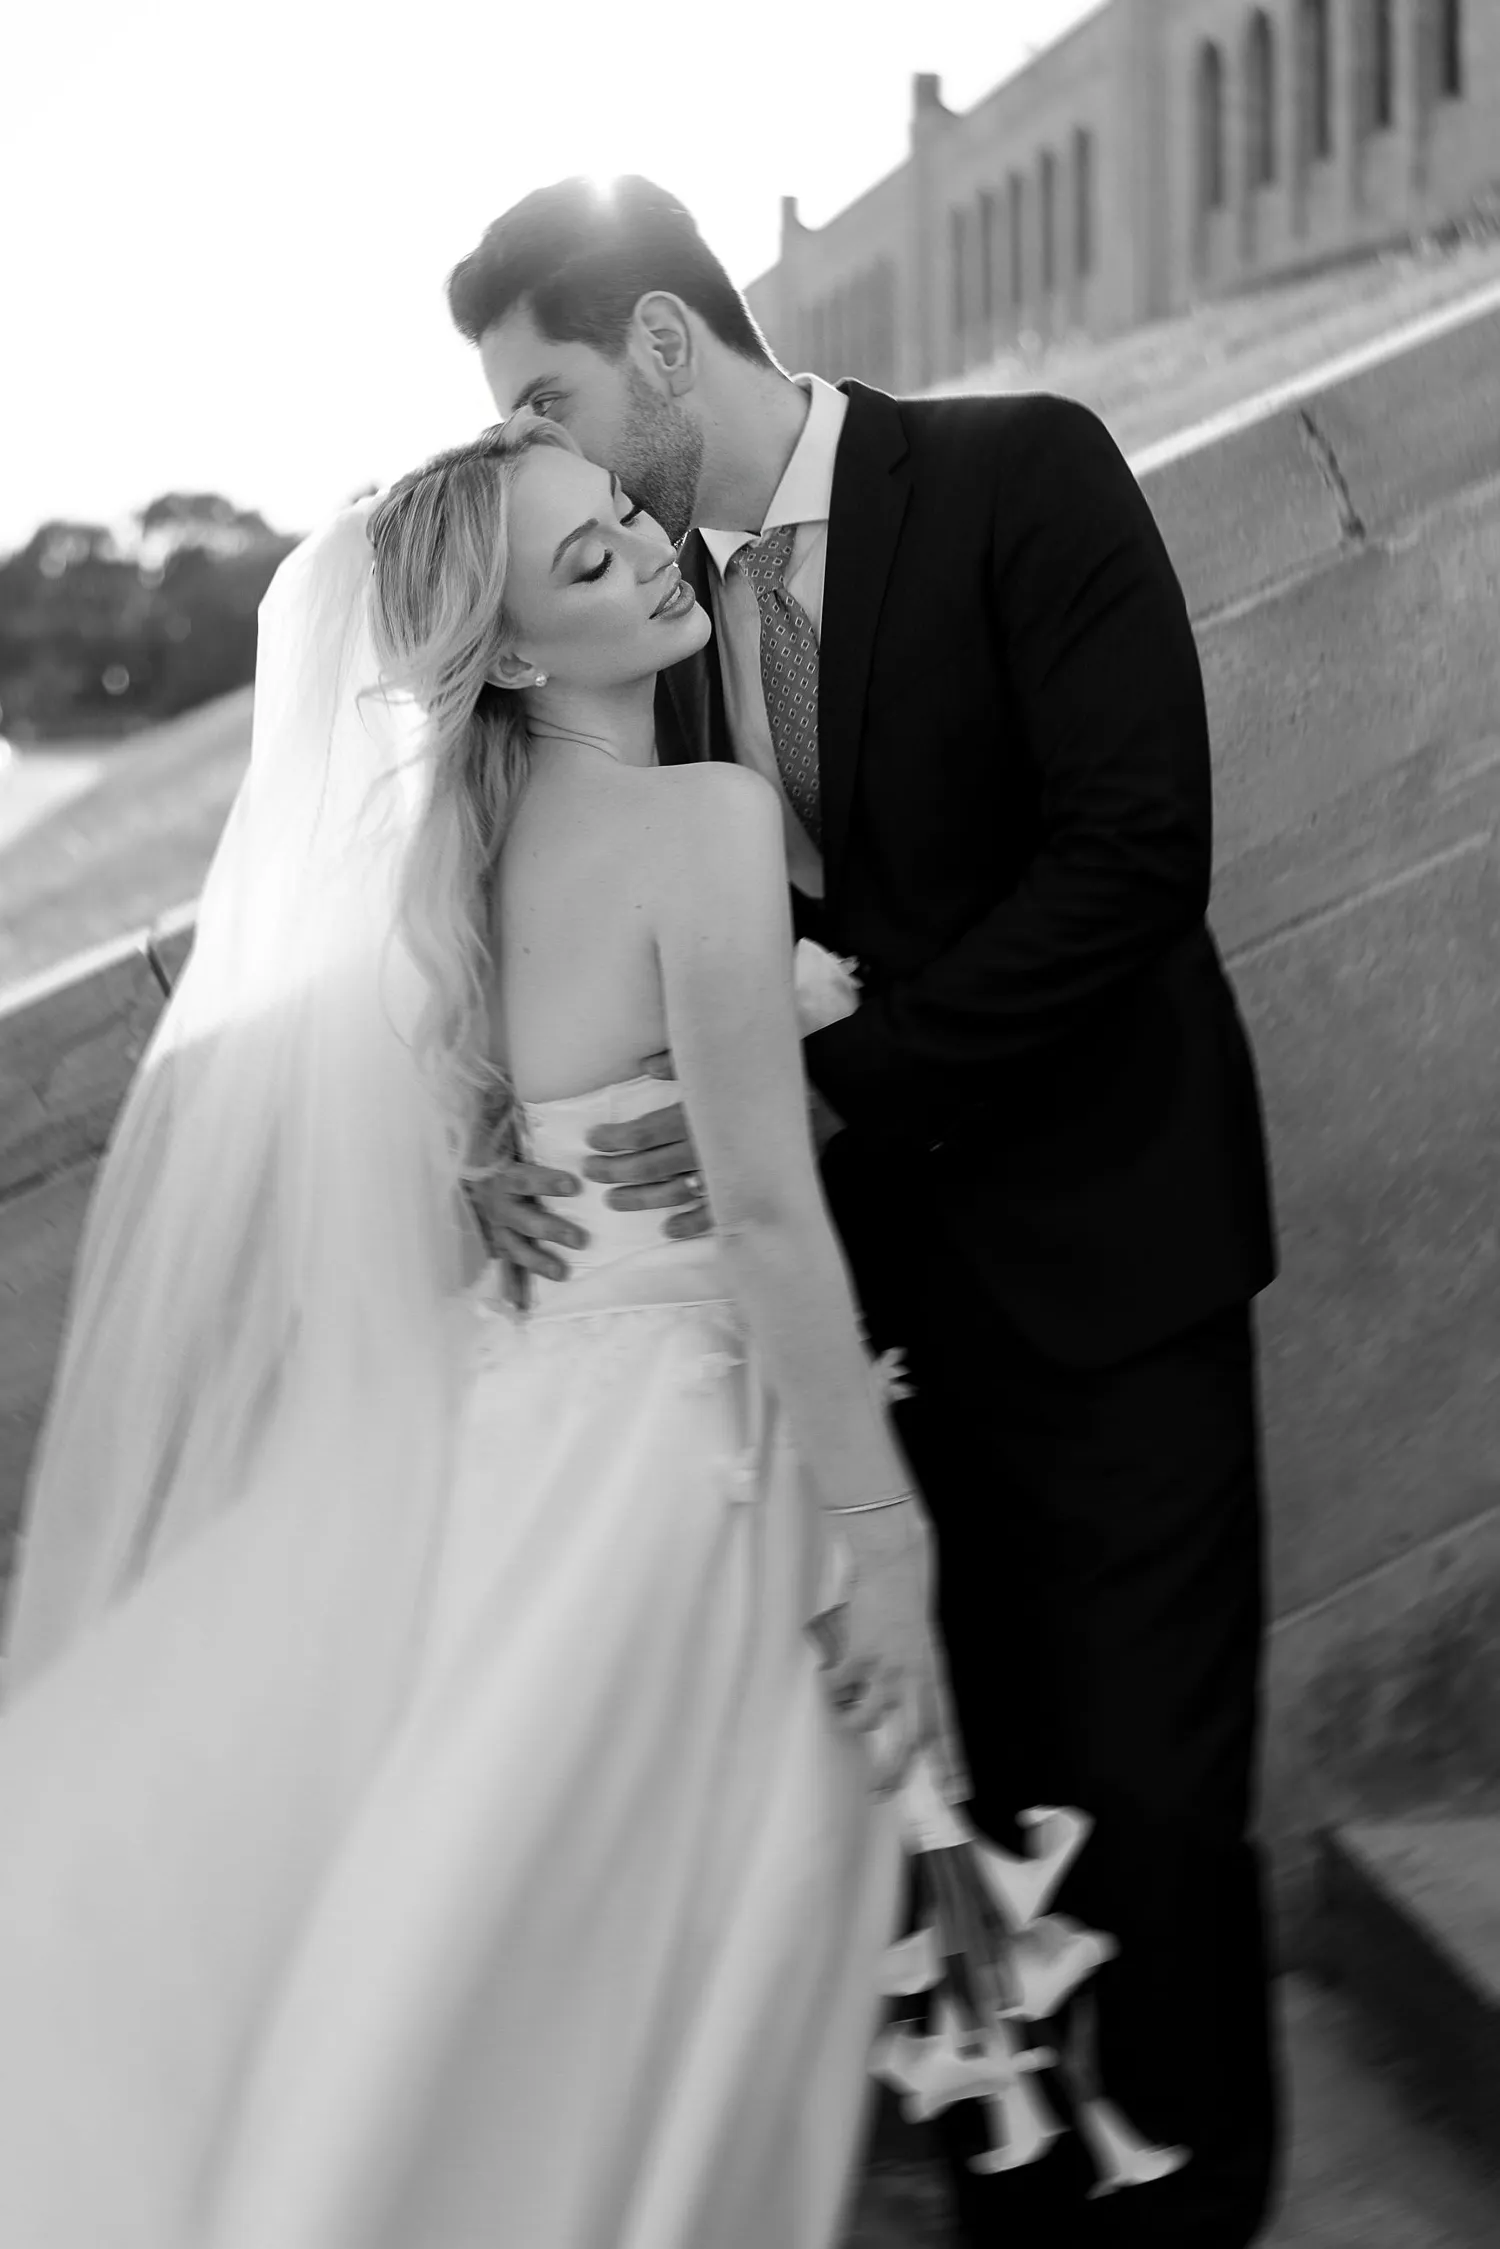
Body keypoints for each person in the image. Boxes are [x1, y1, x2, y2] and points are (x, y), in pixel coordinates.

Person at [0, 417, 962, 2249]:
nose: (650, 557)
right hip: (680, 1457)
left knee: (477, 1921)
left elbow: (413, 1091)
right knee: (648, 1958)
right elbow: (759, 1215)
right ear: (510, 652)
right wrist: (880, 1538)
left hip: (520, 1395)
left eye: (621, 519)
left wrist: (471, 1166)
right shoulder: (708, 821)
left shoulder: (470, 857)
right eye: (589, 566)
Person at [457, 176, 1282, 2247]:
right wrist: (503, 1128)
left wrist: (816, 1084)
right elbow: (535, 913)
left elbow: (1132, 856)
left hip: (1109, 1279)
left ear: (661, 346)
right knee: (970, 1819)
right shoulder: (634, 636)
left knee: (1155, 1808)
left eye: (549, 392)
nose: (543, 452)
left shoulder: (1019, 473)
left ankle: (1202, 2207)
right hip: (850, 1358)